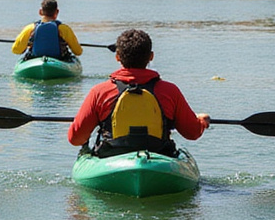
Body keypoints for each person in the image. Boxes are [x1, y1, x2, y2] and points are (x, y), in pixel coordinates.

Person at [68, 29, 209, 157]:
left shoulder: (99, 92)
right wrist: (201, 121)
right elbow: (192, 133)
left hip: (112, 158)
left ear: (117, 57)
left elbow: (76, 139)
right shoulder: (170, 91)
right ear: (151, 56)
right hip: (158, 157)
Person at [12, 0, 83, 61]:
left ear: (40, 12)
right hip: (59, 59)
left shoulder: (30, 28)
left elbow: (16, 50)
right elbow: (78, 51)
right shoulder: (64, 29)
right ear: (57, 11)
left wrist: (28, 44)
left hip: (35, 60)